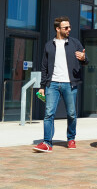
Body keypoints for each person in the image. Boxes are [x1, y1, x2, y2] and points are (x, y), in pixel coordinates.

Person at [33, 16, 87, 152]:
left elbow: (86, 61)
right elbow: (44, 67)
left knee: (72, 113)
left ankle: (71, 139)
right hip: (53, 84)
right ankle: (47, 142)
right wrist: (42, 86)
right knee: (49, 114)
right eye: (66, 27)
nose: (69, 29)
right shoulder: (49, 45)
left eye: (69, 27)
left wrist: (84, 58)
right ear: (58, 29)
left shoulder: (75, 43)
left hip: (70, 84)